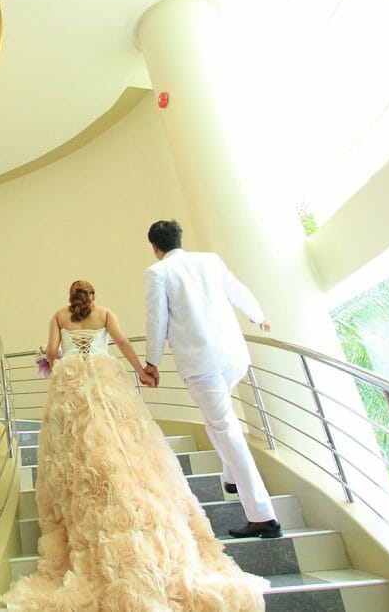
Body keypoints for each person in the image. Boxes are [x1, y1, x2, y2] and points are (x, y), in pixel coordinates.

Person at [1, 280, 265, 611]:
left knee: (78, 437)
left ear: (70, 298)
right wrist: (142, 369)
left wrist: (49, 359)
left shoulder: (58, 316)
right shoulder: (106, 313)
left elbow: (53, 353)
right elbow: (123, 342)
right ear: (93, 296)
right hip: (105, 373)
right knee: (122, 433)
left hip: (71, 378)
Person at [141, 219, 282, 540]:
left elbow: (156, 319)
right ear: (179, 238)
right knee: (217, 420)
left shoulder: (158, 273)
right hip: (234, 356)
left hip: (201, 362)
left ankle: (262, 515)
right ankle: (231, 476)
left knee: (225, 427)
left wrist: (153, 362)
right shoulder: (209, 260)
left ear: (155, 247)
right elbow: (237, 290)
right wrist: (258, 316)